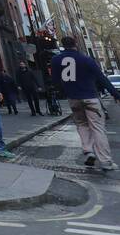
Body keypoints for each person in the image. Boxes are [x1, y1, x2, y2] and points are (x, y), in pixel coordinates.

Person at [51, 37, 120, 171]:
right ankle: (105, 161)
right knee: (97, 128)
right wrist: (115, 94)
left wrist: (64, 90)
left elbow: (55, 80)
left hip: (73, 98)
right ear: (75, 44)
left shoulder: (56, 60)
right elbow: (102, 78)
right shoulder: (86, 59)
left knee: (82, 125)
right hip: (90, 98)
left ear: (62, 45)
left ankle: (89, 151)